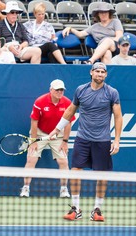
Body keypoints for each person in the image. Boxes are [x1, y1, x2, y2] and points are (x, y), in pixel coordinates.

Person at [49, 62, 123, 222]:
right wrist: (57, 129)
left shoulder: (112, 93)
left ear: (106, 75)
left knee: (102, 176)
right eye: (97, 71)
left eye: (103, 72)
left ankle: (97, 209)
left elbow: (118, 116)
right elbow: (70, 110)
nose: (100, 74)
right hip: (82, 139)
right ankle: (76, 208)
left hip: (102, 140)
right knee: (75, 171)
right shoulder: (81, 90)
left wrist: (116, 140)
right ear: (91, 72)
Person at [20, 79, 75, 198]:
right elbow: (34, 121)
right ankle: (25, 188)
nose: (59, 92)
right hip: (40, 134)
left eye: (61, 90)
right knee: (31, 159)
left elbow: (68, 123)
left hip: (58, 135)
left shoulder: (67, 103)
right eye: (57, 90)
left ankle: (64, 189)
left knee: (63, 161)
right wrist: (34, 141)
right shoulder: (40, 101)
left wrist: (65, 142)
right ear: (51, 90)